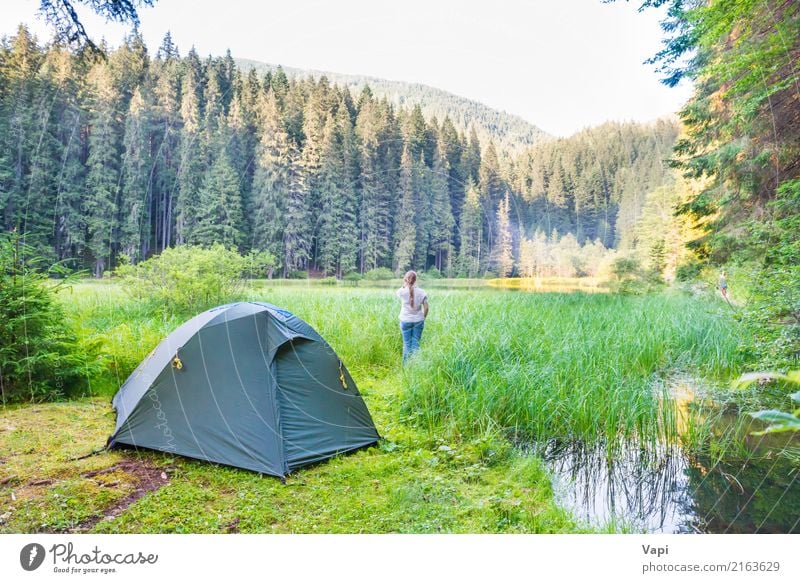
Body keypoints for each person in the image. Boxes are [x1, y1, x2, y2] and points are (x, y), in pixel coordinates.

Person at [396, 270, 428, 363]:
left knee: (406, 344)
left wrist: (405, 284)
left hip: (405, 320)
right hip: (418, 320)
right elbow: (426, 308)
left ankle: (406, 367)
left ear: (406, 279)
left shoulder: (402, 291)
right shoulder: (422, 292)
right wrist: (423, 317)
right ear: (416, 280)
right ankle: (415, 366)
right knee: (416, 345)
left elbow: (398, 292)